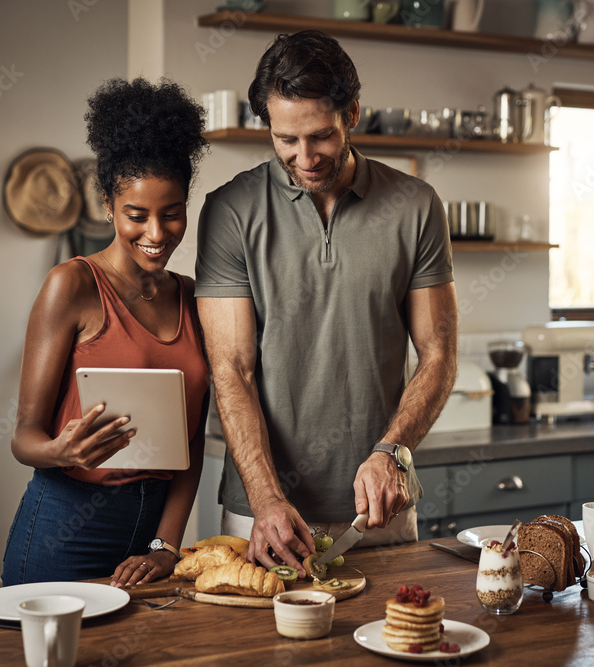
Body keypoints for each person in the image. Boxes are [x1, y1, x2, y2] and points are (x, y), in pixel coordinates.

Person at [196, 30, 458, 577]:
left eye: (319, 136)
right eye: (285, 139)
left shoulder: (415, 206)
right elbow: (232, 369)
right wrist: (267, 499)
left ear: (352, 113)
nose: (304, 156)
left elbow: (438, 354)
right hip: (263, 515)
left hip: (378, 508)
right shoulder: (230, 212)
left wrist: (392, 452)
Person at [2, 78, 209, 587]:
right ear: (107, 205)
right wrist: (60, 451)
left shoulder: (193, 297)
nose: (157, 235)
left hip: (151, 532)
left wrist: (165, 546)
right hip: (64, 526)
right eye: (136, 216)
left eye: (173, 214)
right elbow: (25, 436)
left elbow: (192, 442)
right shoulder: (71, 285)